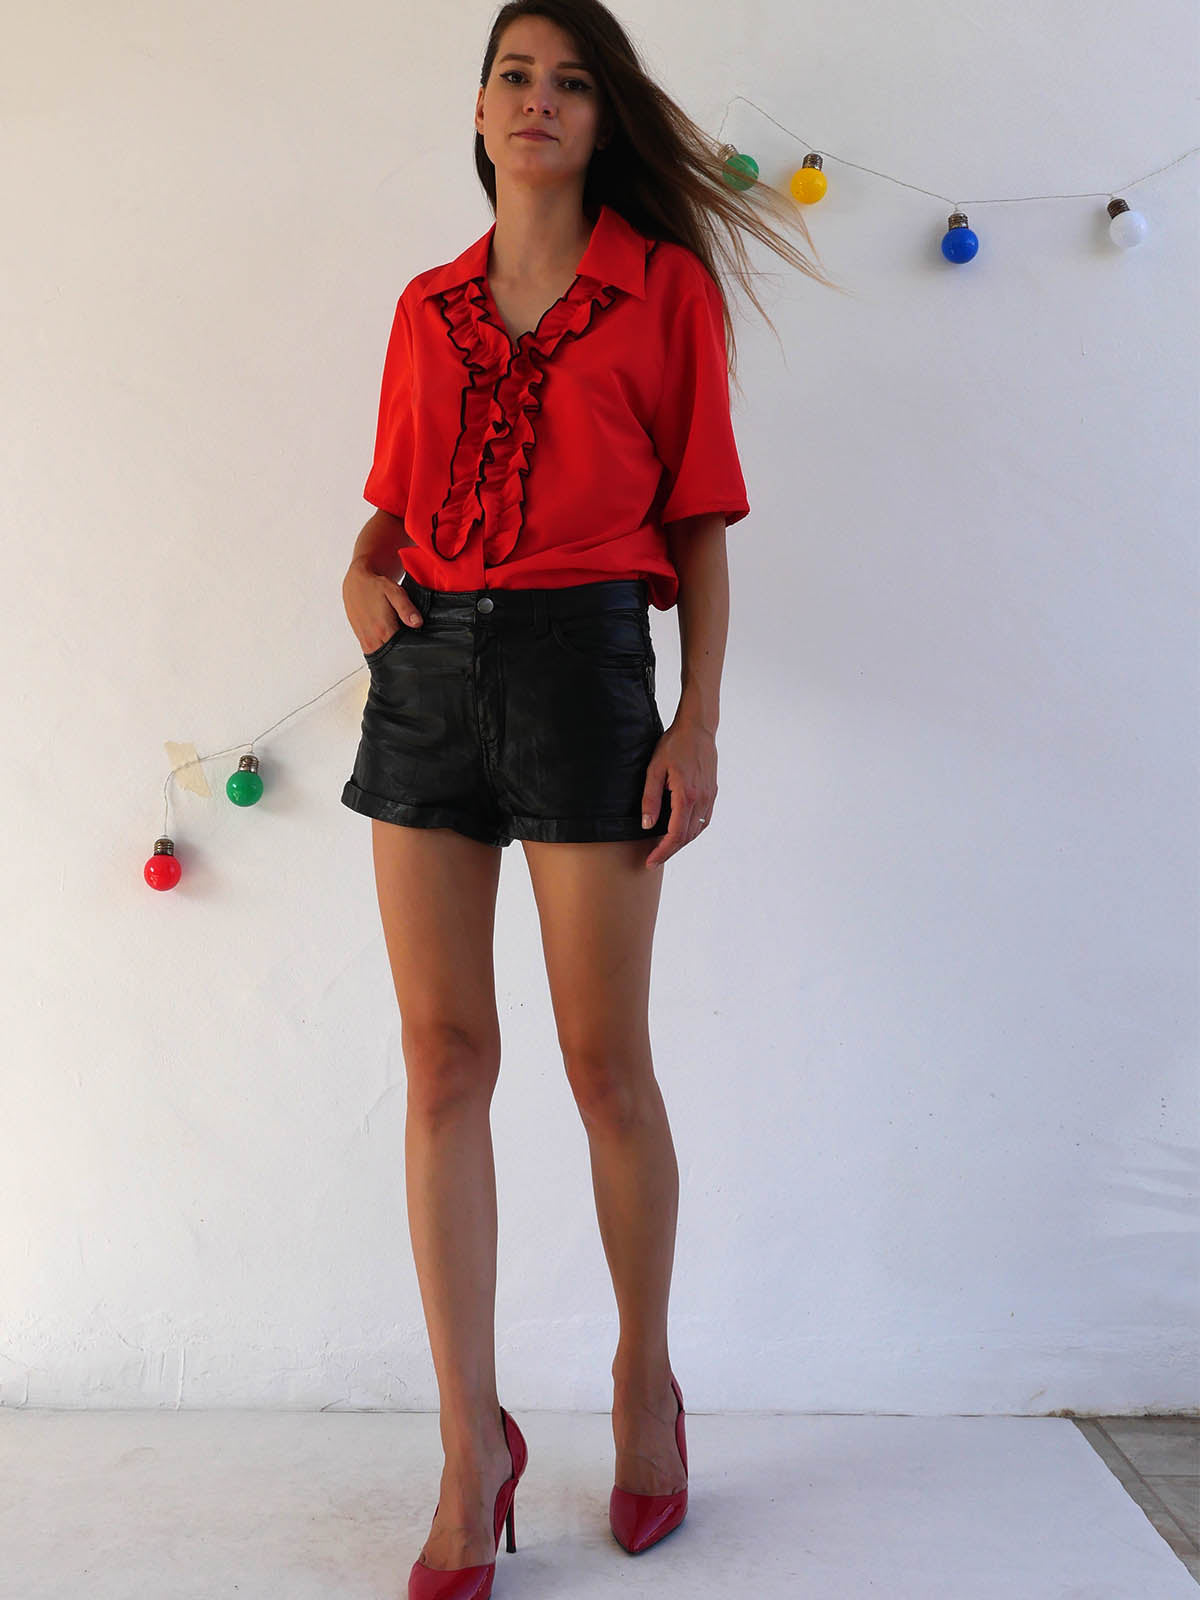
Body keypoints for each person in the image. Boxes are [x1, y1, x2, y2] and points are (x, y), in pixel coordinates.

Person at [339, 4, 840, 1595]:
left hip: (587, 672)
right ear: (477, 112)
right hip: (428, 681)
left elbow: (700, 533)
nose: (538, 102)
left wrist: (696, 719)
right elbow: (382, 524)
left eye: (567, 82)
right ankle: (470, 1446)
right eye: (514, 77)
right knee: (440, 1062)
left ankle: (641, 1381)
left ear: (600, 120)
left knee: (603, 1063)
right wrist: (358, 588)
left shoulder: (661, 290)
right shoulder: (426, 307)